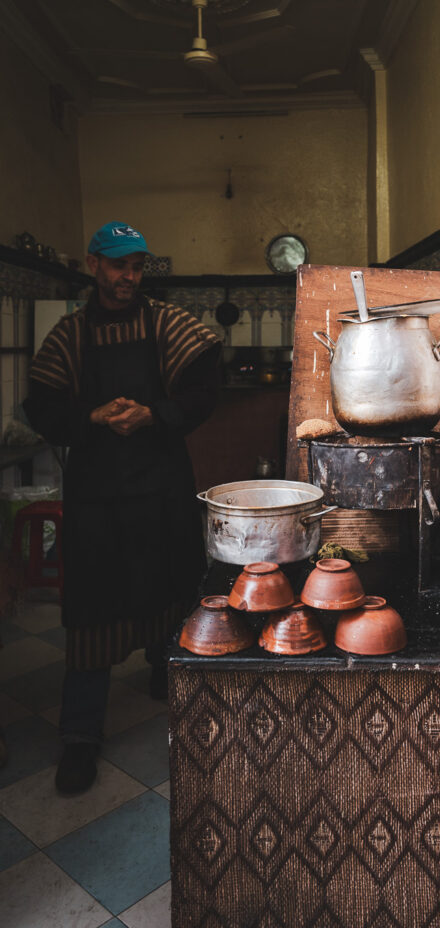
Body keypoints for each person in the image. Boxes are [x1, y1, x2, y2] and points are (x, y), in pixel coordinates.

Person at [24, 221, 221, 795]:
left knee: (170, 588)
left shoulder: (165, 323)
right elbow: (41, 406)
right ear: (93, 265)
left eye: (135, 266)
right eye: (116, 266)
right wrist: (90, 417)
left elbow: (206, 385)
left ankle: (166, 675)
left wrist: (155, 414)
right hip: (98, 499)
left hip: (160, 490)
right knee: (92, 609)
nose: (127, 277)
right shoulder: (70, 335)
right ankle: (80, 737)